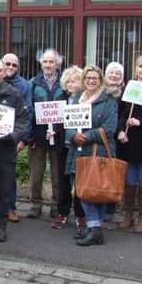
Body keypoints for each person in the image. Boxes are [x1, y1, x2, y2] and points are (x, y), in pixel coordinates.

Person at [65, 65, 118, 246]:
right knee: (82, 191)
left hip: (98, 151)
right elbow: (68, 124)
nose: (91, 81)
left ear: (101, 80)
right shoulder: (76, 100)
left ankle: (95, 229)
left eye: (95, 78)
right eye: (88, 78)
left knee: (95, 191)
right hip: (78, 153)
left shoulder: (108, 101)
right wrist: (73, 135)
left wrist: (86, 136)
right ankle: (93, 228)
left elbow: (109, 128)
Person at [0, 58, 30, 242]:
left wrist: (13, 136)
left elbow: (24, 120)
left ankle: (0, 224)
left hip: (5, 150)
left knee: (4, 190)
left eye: (0, 70)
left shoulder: (14, 94)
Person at [26, 49, 65, 219]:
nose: (48, 65)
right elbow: (28, 109)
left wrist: (58, 129)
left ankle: (56, 204)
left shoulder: (65, 82)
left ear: (58, 64)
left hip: (58, 134)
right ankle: (35, 204)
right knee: (36, 173)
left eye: (52, 62)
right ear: (41, 64)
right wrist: (30, 135)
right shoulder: (33, 83)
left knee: (58, 173)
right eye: (45, 62)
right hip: (38, 134)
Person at [117, 56, 142, 232]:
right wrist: (121, 130)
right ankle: (127, 214)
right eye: (140, 66)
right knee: (129, 180)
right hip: (128, 142)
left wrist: (141, 123)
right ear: (135, 69)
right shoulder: (128, 90)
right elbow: (121, 115)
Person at [52, 66, 86, 236]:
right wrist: (53, 131)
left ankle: (81, 215)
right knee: (63, 181)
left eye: (76, 81)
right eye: (69, 81)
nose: (72, 84)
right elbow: (56, 122)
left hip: (79, 148)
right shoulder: (61, 99)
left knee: (80, 182)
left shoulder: (86, 100)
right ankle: (62, 212)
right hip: (63, 147)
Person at [2, 53, 31, 223]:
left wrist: (23, 139)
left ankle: (10, 208)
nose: (10, 67)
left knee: (9, 176)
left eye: (14, 65)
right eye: (8, 64)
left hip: (12, 136)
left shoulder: (24, 85)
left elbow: (27, 113)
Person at [103, 61, 125, 221]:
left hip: (119, 139)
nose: (114, 75)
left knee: (113, 174)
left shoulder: (126, 94)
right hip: (103, 139)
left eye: (118, 73)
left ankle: (110, 208)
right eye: (111, 72)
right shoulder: (100, 91)